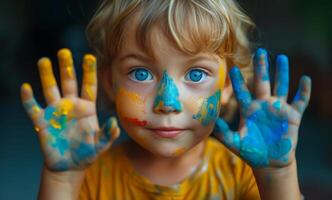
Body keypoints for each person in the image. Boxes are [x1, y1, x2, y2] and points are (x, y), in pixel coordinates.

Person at [20, 0, 311, 199]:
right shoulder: (89, 176)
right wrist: (62, 180)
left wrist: (277, 174)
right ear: (109, 82)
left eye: (196, 74)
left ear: (227, 86)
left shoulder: (244, 174)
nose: (167, 102)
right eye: (141, 73)